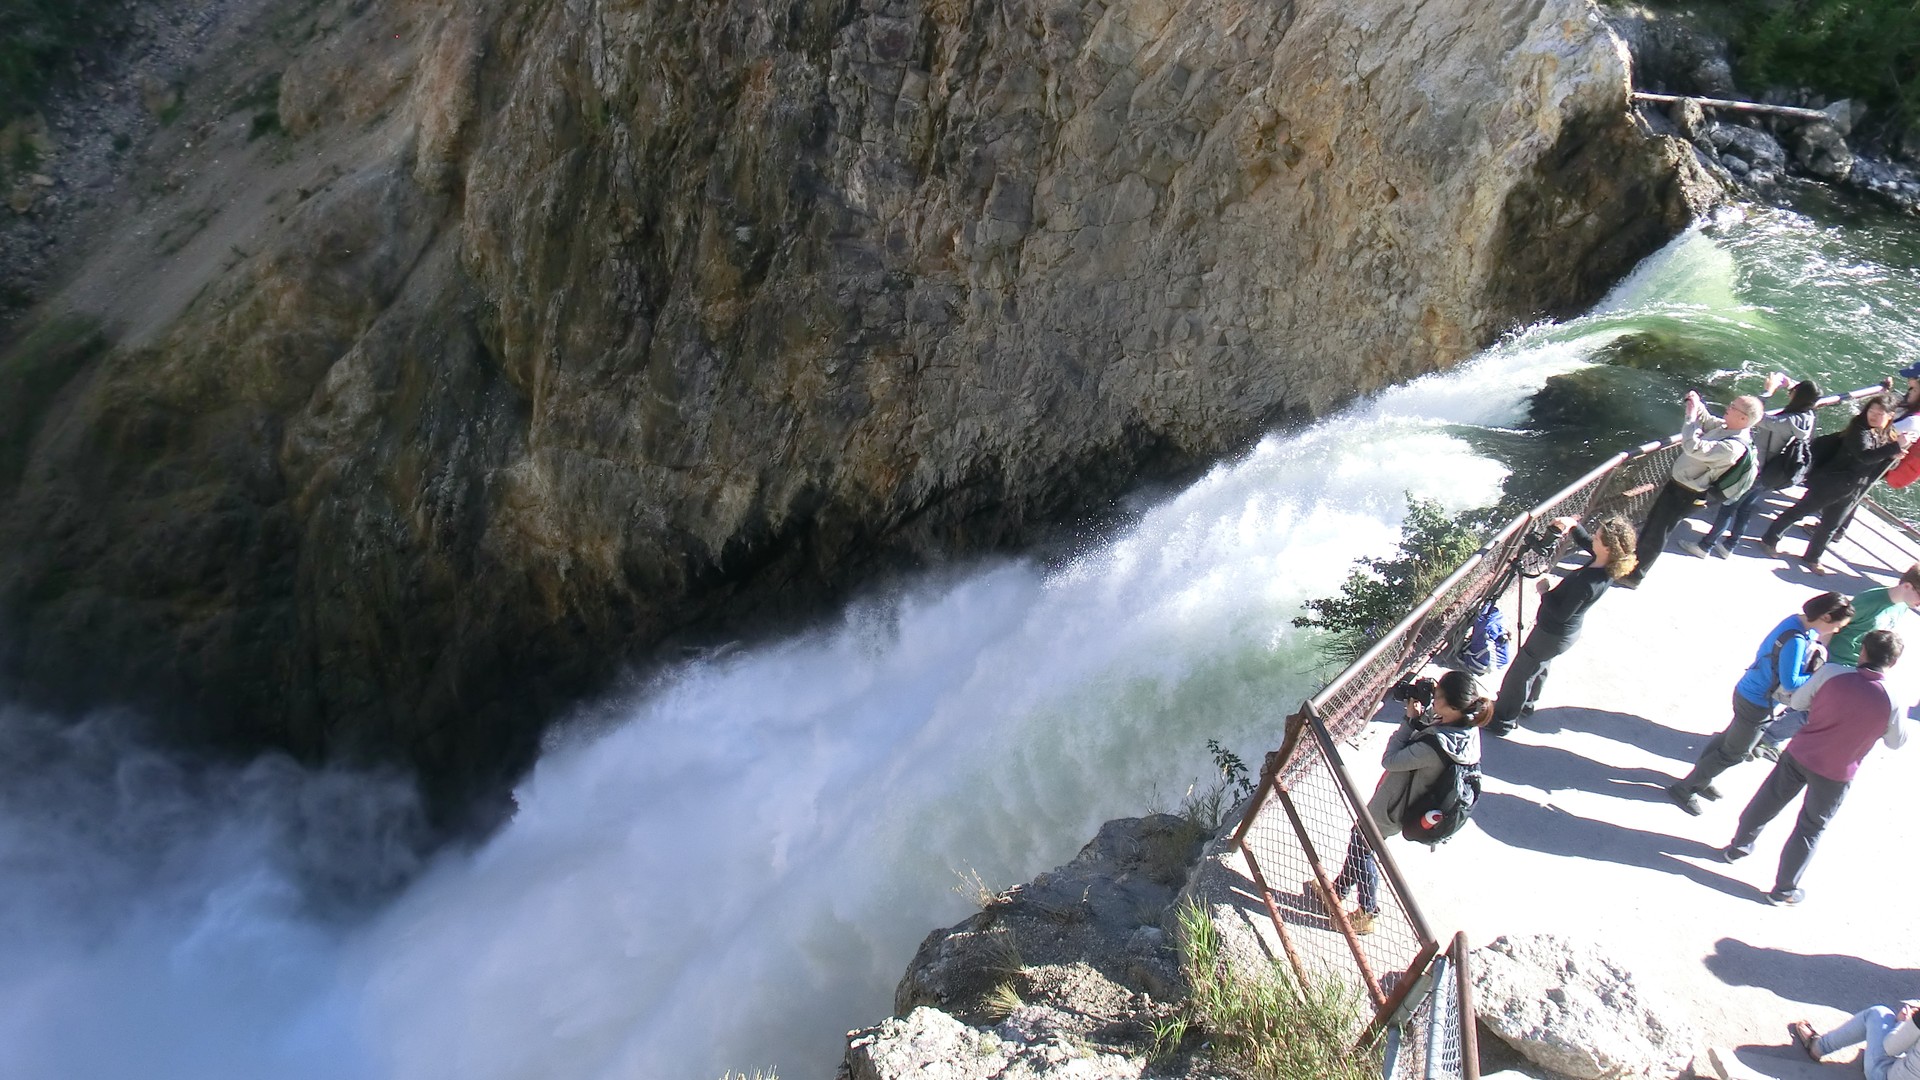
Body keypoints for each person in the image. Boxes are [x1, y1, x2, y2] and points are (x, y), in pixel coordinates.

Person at [1718, 629, 1908, 905]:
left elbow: (1797, 702)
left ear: (1863, 651)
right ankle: (1783, 890)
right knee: (1810, 828)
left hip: (1800, 753)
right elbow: (1896, 742)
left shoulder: (1831, 673)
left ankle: (1737, 848)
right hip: (1837, 772)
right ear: (1892, 663)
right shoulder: (1893, 700)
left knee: (1768, 800)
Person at [1308, 670, 1492, 935]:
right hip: (1411, 798)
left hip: (1395, 805)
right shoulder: (1466, 728)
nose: (1434, 699)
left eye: (1438, 696)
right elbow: (1433, 728)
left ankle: (1367, 912)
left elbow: (1391, 760)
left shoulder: (1436, 747)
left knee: (1363, 846)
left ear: (1452, 707)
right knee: (1362, 840)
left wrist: (1409, 720)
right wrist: (1424, 715)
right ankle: (1337, 891)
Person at [1666, 591, 1855, 815]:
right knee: (1735, 752)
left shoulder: (1794, 622)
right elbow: (1791, 681)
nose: (1837, 630)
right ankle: (1685, 788)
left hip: (1749, 690)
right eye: (1838, 625)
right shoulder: (1796, 639)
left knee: (1728, 739)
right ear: (1826, 617)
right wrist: (1818, 673)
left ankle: (1700, 778)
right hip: (1757, 702)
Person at [1490, 514, 1637, 734]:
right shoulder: (1606, 565)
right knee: (1538, 666)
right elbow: (1588, 543)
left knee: (1521, 672)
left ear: (1608, 548)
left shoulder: (1588, 582)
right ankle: (1527, 706)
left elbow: (1560, 614)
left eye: (1598, 537)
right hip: (1562, 637)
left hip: (1552, 633)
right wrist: (1573, 526)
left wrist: (1544, 592)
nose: (1593, 538)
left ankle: (1502, 720)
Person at [1756, 565, 1920, 759]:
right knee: (1812, 708)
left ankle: (1767, 736)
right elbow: (1834, 626)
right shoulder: (1869, 601)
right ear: (1907, 586)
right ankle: (1767, 738)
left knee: (1810, 706)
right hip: (1835, 662)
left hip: (1856, 667)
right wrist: (1821, 658)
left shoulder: (1901, 607)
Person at [1620, 391, 1763, 587]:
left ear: (1743, 418)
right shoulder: (1727, 428)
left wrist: (1690, 416)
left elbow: (1692, 446)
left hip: (1687, 493)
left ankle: (1635, 576)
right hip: (1679, 486)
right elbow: (1708, 420)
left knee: (1658, 532)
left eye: (1732, 407)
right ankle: (1630, 564)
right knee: (1654, 523)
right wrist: (1697, 404)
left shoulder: (1732, 447)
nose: (1727, 408)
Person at [1759, 395, 1912, 574]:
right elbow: (1864, 456)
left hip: (1854, 488)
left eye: (1880, 413)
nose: (1874, 416)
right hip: (1832, 482)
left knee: (1830, 526)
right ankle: (1769, 539)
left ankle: (1812, 558)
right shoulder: (1859, 429)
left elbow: (1879, 466)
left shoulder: (1887, 434)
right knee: (1799, 511)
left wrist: (1894, 455)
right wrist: (1894, 448)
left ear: (1890, 415)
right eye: (1872, 411)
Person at [1687, 373, 1818, 558]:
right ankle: (1729, 546)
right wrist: (1790, 385)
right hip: (1772, 472)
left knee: (1728, 505)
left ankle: (1705, 547)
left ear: (1797, 396)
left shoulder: (1787, 421)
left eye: (1793, 392)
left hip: (1758, 469)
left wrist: (1768, 392)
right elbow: (1804, 395)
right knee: (1745, 507)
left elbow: (1754, 417)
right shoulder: (1808, 416)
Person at [1790, 1000, 1920, 1077]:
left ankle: (1818, 1046)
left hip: (1884, 1075)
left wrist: (1904, 1023)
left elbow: (1890, 1048)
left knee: (1879, 1014)